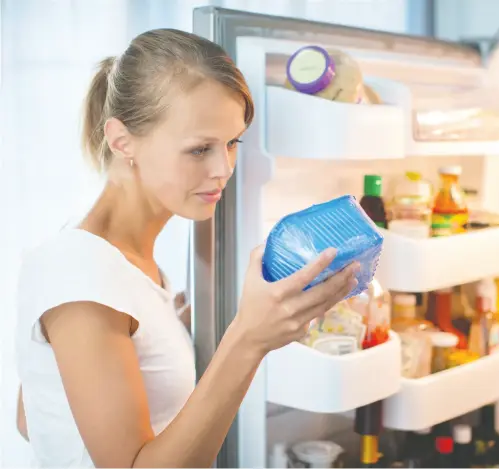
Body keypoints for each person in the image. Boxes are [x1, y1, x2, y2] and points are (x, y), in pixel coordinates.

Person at [14, 28, 359, 468]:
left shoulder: (121, 263)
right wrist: (248, 340)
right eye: (200, 149)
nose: (224, 168)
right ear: (122, 141)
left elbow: (34, 415)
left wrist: (171, 328)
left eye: (233, 142)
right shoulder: (82, 274)